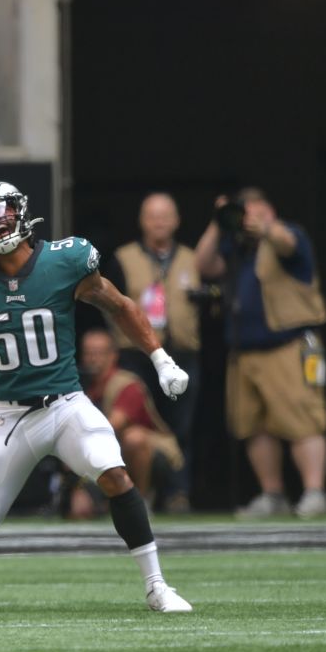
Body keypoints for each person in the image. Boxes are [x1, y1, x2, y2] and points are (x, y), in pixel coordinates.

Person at [0, 179, 193, 614]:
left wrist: (160, 359)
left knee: (113, 473)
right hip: (9, 415)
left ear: (21, 210)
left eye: (3, 208)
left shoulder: (65, 261)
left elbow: (120, 306)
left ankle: (157, 585)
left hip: (65, 403)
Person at [194, 187, 326, 519]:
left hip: (286, 346)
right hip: (244, 352)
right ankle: (273, 494)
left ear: (269, 211)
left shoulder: (288, 235)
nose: (249, 220)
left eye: (256, 212)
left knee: (302, 420)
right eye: (245, 214)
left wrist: (266, 228)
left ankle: (314, 492)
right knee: (254, 425)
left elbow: (287, 243)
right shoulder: (237, 246)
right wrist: (219, 222)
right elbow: (203, 265)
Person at [104, 192, 200, 510]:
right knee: (136, 425)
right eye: (152, 215)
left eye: (165, 215)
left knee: (182, 425)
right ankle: (135, 492)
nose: (159, 222)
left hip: (182, 352)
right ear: (141, 221)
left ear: (176, 220)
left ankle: (178, 493)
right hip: (137, 356)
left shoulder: (193, 257)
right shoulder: (122, 257)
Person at [79, 329, 184, 504]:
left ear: (113, 356)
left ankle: (140, 501)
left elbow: (111, 427)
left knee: (133, 438)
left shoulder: (126, 384)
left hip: (149, 455)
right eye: (88, 353)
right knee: (80, 506)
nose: (92, 359)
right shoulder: (84, 385)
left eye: (98, 353)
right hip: (105, 458)